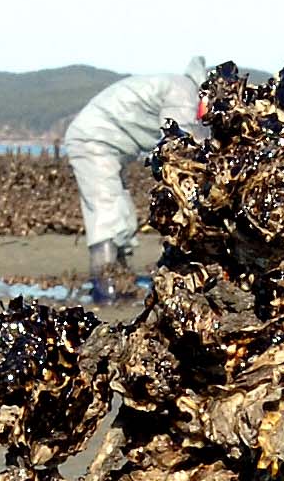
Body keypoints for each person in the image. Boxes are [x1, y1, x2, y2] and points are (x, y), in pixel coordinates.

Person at [62, 57, 211, 303]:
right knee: (106, 210)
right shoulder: (184, 92)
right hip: (94, 140)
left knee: (120, 210)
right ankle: (105, 289)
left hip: (102, 139)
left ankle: (119, 281)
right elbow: (180, 143)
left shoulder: (178, 86)